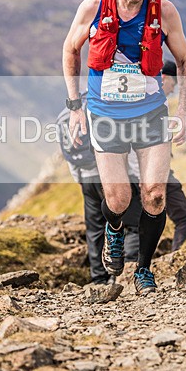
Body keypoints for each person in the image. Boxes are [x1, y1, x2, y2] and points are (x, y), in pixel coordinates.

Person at [62, 0, 186, 295]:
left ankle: (144, 270)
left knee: (154, 196)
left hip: (151, 114)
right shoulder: (93, 7)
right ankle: (115, 230)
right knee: (119, 200)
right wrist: (76, 107)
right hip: (105, 115)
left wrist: (182, 111)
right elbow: (70, 50)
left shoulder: (163, 11)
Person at [57, 97, 140, 285]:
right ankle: (125, 275)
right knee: (132, 224)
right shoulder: (107, 104)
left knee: (95, 229)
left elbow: (67, 151)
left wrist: (81, 181)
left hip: (87, 179)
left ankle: (98, 279)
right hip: (114, 176)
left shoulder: (70, 112)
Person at [160, 60, 186, 250]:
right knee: (184, 218)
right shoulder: (157, 104)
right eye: (174, 84)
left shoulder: (146, 100)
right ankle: (174, 262)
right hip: (159, 173)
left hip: (141, 174)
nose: (173, 90)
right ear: (164, 78)